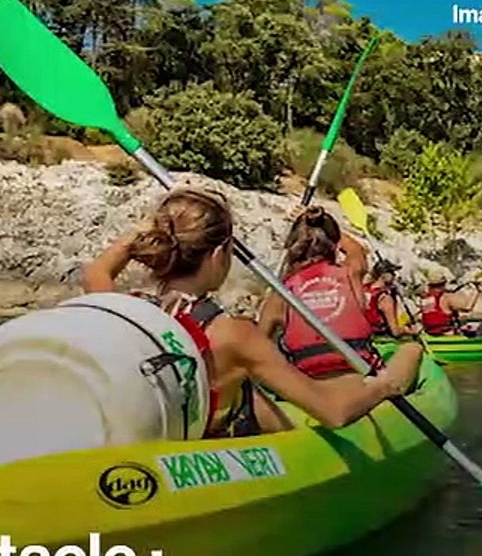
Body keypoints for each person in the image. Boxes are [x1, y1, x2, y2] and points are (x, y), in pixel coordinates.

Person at [81, 188, 423, 438]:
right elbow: (334, 412)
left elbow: (96, 274)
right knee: (408, 352)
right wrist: (381, 387)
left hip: (168, 432)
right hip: (217, 436)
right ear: (218, 255)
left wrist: (138, 234)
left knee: (251, 394)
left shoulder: (127, 311)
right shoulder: (233, 335)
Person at [256, 206, 389, 378]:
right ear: (334, 245)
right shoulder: (351, 273)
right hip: (361, 377)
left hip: (311, 386)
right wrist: (321, 224)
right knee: (412, 351)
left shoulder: (280, 294)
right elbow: (357, 250)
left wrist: (306, 225)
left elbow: (258, 348)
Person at [364, 258, 419, 339]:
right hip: (382, 339)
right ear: (383, 275)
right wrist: (409, 331)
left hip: (367, 336)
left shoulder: (364, 290)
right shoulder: (385, 298)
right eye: (392, 272)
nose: (394, 275)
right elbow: (395, 331)